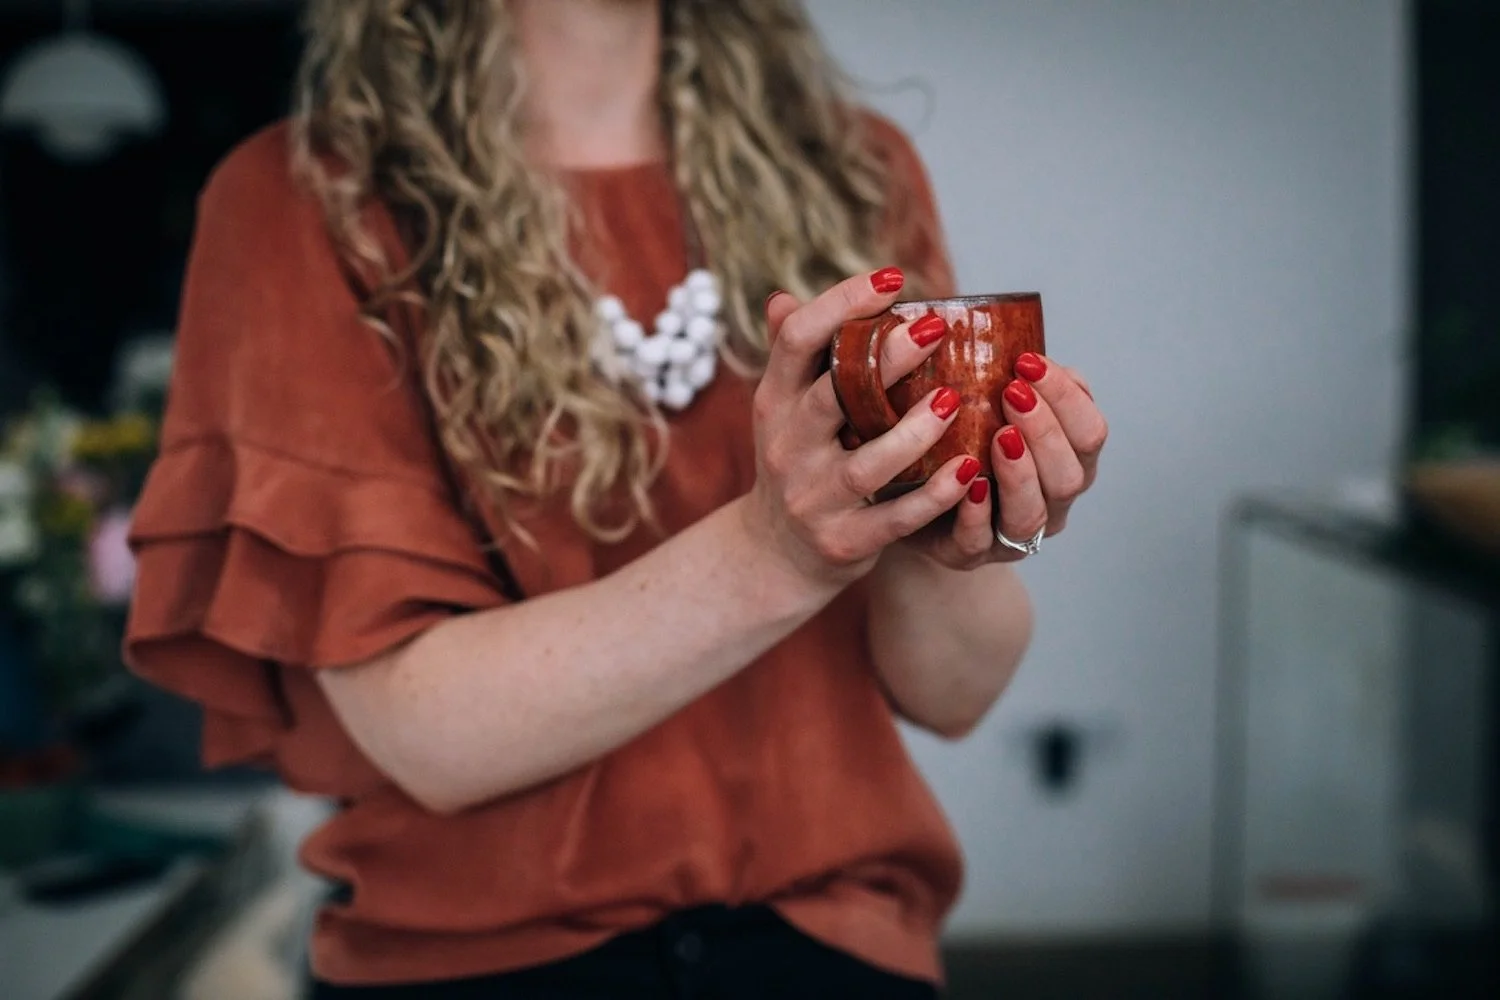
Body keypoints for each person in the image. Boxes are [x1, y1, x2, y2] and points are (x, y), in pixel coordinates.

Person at [124, 1, 1109, 997]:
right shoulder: (303, 199)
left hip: (835, 943)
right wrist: (777, 551)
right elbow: (425, 736)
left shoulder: (852, 168)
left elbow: (956, 692)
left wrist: (963, 529)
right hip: (474, 965)